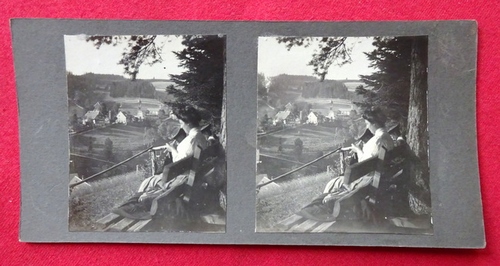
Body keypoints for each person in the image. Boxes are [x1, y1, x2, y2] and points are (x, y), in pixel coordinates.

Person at [297, 107, 395, 222]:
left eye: (367, 123)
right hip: (379, 179)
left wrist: (358, 150)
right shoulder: (387, 138)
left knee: (333, 183)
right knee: (335, 182)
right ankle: (326, 200)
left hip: (367, 181)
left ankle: (326, 204)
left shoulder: (376, 141)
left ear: (374, 123)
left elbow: (363, 163)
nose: (367, 126)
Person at [112, 104, 208, 219]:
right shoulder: (201, 137)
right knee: (152, 181)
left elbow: (178, 163)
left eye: (181, 123)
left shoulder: (189, 141)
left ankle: (137, 205)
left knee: (149, 181)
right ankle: (136, 203)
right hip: (193, 177)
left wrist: (172, 149)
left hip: (182, 179)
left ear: (187, 123)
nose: (181, 126)